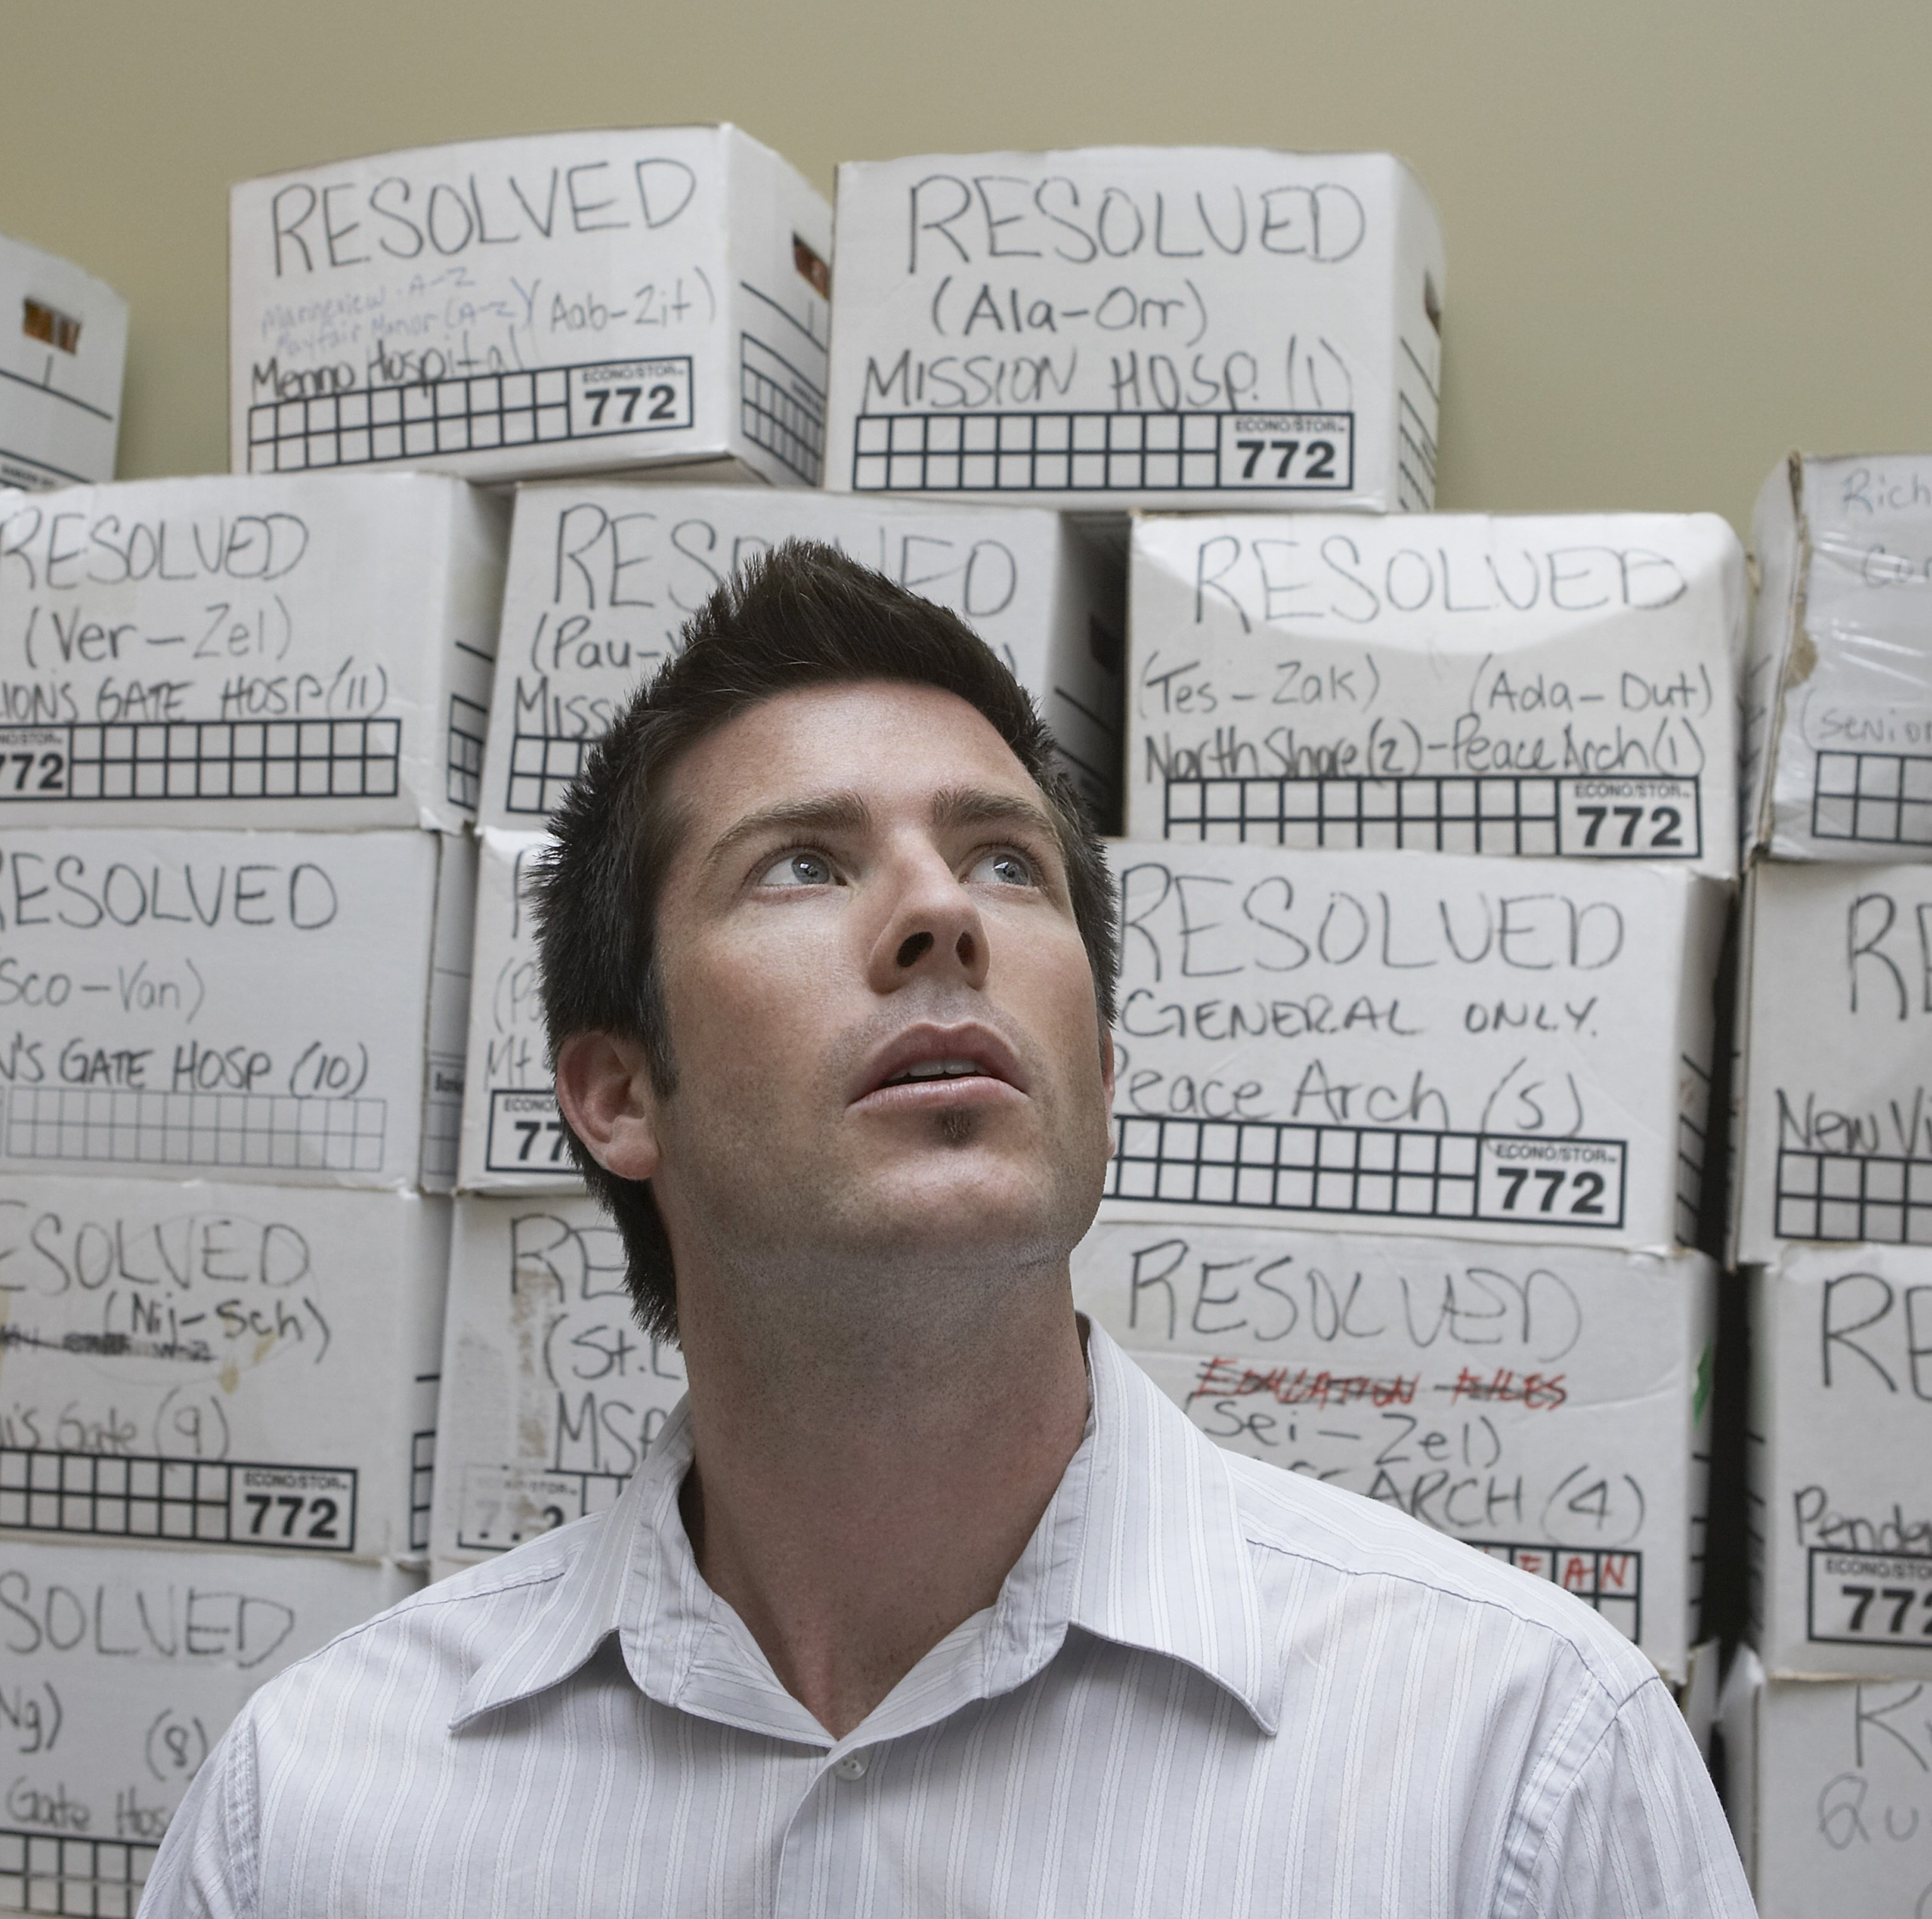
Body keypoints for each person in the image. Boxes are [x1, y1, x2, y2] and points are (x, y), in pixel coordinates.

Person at [136, 543, 1757, 1916]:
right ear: (617, 1091)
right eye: (800, 865)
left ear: (1103, 1068)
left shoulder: (1518, 1764)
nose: (940, 915)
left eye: (1004, 858)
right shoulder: (317, 1816)